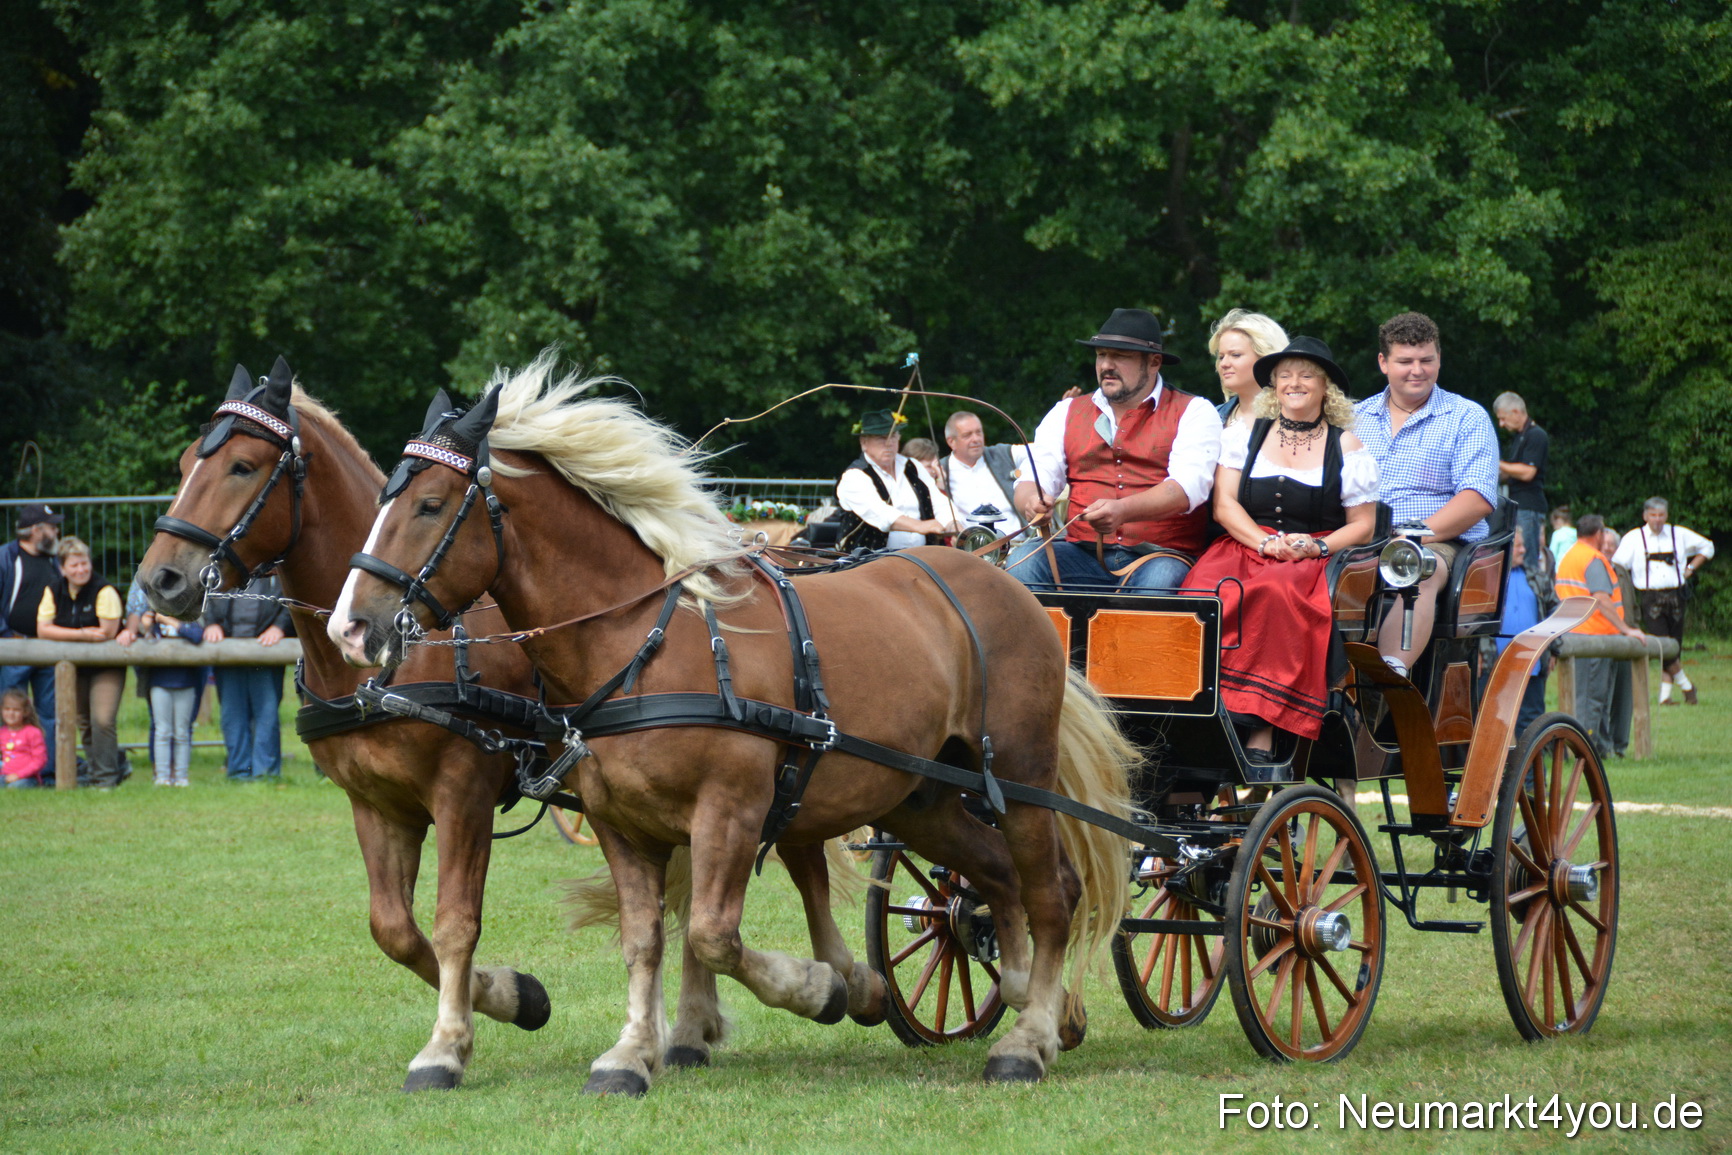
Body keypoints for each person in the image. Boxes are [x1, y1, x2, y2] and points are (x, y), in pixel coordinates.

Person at [1184, 337, 1377, 759]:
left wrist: (1314, 547)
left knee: (1277, 593)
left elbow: (1364, 525)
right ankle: (1193, 709)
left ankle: (1261, 725)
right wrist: (1265, 542)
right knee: (1203, 591)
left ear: (1326, 387)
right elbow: (1224, 504)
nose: (1295, 383)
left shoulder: (1346, 446)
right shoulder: (1245, 435)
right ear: (1273, 384)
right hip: (1246, 545)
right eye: (1285, 375)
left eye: (1307, 375)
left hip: (1308, 558)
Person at [1009, 308, 1222, 592]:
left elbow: (1186, 489)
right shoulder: (1066, 412)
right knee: (1022, 562)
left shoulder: (1194, 411)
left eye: (1120, 355)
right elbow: (1033, 478)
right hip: (1080, 554)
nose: (1106, 365)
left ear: (1154, 362)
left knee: (1158, 584)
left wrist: (1123, 510)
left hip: (1160, 555)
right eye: (1101, 355)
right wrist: (1032, 502)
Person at [1352, 312, 1499, 676]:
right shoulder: (1354, 418)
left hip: (1440, 540)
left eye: (1426, 360)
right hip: (1361, 536)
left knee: (1416, 566)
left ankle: (1389, 677)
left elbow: (1477, 497)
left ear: (1439, 360)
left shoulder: (1466, 417)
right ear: (1383, 363)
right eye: (1405, 361)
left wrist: (1412, 535)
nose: (1417, 370)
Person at [35, 537, 125, 787]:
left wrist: (65, 633)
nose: (81, 569)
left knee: (102, 720)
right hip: (73, 666)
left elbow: (106, 632)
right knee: (84, 721)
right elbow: (42, 629)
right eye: (74, 565)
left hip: (106, 665)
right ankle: (97, 773)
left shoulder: (104, 590)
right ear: (62, 568)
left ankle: (107, 779)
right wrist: (82, 634)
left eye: (84, 563)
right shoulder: (53, 589)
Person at [1555, 515, 1644, 758]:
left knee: (1583, 697)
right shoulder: (1593, 559)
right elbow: (1602, 599)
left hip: (1575, 635)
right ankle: (1587, 752)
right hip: (1594, 636)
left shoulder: (1570, 556)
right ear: (1599, 534)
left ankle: (1596, 749)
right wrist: (1626, 629)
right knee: (1592, 700)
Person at [1612, 497, 1715, 705]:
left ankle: (1665, 696)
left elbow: (1708, 547)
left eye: (1661, 515)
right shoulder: (1634, 538)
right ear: (1645, 516)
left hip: (1677, 595)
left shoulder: (1679, 534)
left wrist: (1690, 569)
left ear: (1666, 515)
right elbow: (1618, 564)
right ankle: (1687, 686)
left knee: (1674, 645)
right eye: (1653, 515)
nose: (1657, 520)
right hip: (1650, 597)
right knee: (1661, 644)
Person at [203, 574, 293, 780]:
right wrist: (211, 623)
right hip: (227, 654)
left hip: (267, 654)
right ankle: (238, 772)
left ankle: (266, 774)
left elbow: (289, 599)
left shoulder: (276, 571)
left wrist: (279, 627)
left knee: (267, 714)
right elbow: (205, 596)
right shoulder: (224, 566)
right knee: (231, 716)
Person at [833, 410, 958, 551]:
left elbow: (938, 502)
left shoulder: (914, 467)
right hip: (868, 563)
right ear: (864, 443)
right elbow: (879, 512)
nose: (888, 443)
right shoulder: (854, 476)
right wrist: (920, 526)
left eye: (893, 436)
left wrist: (952, 524)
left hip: (923, 557)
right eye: (881, 438)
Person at [0, 503, 64, 752]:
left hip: (49, 647)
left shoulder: (54, 561)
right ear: (37, 530)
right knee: (9, 711)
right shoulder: (6, 557)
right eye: (53, 527)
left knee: (49, 712)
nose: (57, 532)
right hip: (14, 649)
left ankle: (46, 771)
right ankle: (9, 768)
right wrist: (7, 635)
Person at [1495, 524, 1555, 738]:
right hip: (1495, 665)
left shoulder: (1536, 578)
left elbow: (1555, 612)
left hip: (1532, 664)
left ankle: (1531, 772)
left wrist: (1554, 650)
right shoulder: (1489, 578)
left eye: (1522, 545)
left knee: (1531, 725)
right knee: (1494, 721)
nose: (1523, 550)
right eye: (1517, 546)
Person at [139, 609, 204, 786]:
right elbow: (147, 645)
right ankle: (162, 777)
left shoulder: (189, 618)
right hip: (159, 683)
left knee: (182, 732)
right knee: (162, 731)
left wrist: (170, 621)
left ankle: (181, 776)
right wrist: (146, 627)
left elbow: (197, 636)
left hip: (186, 683)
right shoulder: (154, 622)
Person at [938, 410, 1027, 540]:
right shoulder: (940, 470)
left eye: (979, 432)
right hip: (974, 553)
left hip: (1021, 545)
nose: (976, 439)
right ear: (951, 442)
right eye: (967, 435)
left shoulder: (1002, 454)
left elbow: (1038, 452)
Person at [1492, 392, 1551, 578]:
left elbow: (1527, 472)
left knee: (1528, 562)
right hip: (1518, 506)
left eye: (1503, 418)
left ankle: (1534, 602)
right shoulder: (1520, 436)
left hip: (1529, 508)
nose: (1501, 424)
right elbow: (1512, 472)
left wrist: (1496, 462)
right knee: (1515, 559)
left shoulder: (1536, 435)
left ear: (1516, 412)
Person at [1208, 309, 1290, 428]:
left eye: (1235, 355)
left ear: (1266, 357)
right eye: (1221, 357)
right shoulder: (1211, 417)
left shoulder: (1298, 415)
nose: (1223, 364)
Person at [1601, 525, 1635, 758]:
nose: (1608, 549)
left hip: (1625, 639)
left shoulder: (1622, 570)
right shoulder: (1593, 568)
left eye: (1612, 546)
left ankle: (1620, 745)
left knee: (1624, 695)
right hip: (1600, 638)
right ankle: (1603, 746)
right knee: (1602, 694)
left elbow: (1631, 603)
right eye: (1604, 545)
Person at [1, 688, 47, 788]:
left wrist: (18, 775)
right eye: (7, 709)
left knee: (15, 787)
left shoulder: (33, 732)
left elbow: (40, 760)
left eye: (16, 710)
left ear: (25, 712)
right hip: (5, 776)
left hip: (27, 777)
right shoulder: (2, 732)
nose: (11, 713)